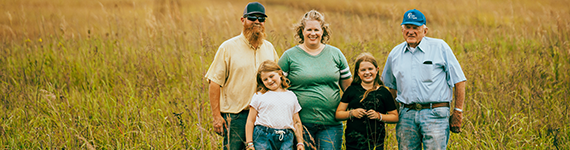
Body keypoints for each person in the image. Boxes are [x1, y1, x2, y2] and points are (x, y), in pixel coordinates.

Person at [381, 9, 467, 149]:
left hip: (435, 115)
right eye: (407, 27)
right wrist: (393, 111)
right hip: (406, 115)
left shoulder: (440, 47)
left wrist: (458, 111)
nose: (411, 31)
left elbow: (459, 81)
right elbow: (391, 86)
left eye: (416, 28)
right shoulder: (395, 54)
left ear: (425, 30)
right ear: (402, 30)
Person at [205, 2, 279, 150]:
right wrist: (217, 117)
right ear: (243, 20)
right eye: (252, 18)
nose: (257, 21)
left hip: (263, 116)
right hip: (236, 117)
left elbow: (278, 79)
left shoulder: (269, 48)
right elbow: (214, 83)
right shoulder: (227, 47)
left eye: (261, 18)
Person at [278, 10, 352, 150]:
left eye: (316, 30)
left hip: (331, 124)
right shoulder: (289, 56)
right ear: (302, 31)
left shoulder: (336, 54)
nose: (313, 33)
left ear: (323, 31)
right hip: (300, 124)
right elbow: (277, 89)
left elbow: (349, 89)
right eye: (309, 29)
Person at [335, 53, 399, 150]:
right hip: (353, 142)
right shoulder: (351, 90)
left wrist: (379, 116)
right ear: (358, 72)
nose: (367, 72)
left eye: (370, 69)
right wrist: (352, 113)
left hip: (376, 143)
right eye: (363, 70)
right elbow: (338, 114)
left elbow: (395, 117)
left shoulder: (383, 92)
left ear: (377, 70)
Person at [245, 60, 305, 150]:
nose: (269, 80)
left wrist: (300, 143)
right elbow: (250, 121)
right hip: (263, 136)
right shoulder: (259, 95)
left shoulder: (291, 95)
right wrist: (250, 143)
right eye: (265, 79)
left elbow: (296, 121)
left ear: (280, 73)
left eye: (271, 76)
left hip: (286, 137)